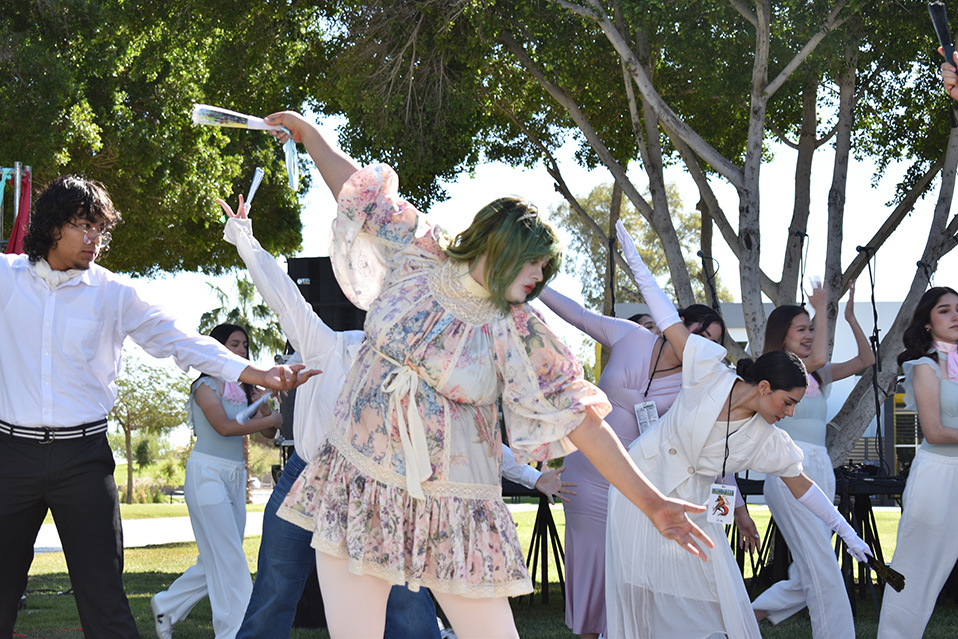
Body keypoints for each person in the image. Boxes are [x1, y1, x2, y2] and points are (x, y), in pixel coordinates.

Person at [263, 110, 713, 639]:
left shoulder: (519, 330)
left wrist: (653, 503)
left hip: (454, 510)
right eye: (534, 262)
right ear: (499, 246)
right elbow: (358, 191)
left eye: (545, 268)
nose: (540, 276)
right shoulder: (419, 251)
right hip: (361, 483)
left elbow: (583, 420)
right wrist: (309, 134)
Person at [217, 201, 573, 639]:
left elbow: (465, 441)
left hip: (396, 494)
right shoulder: (330, 347)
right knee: (276, 585)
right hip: (311, 478)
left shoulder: (433, 360)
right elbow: (286, 299)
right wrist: (245, 240)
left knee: (408, 608)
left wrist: (533, 477)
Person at [0, 175, 315, 639]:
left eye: (100, 229)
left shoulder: (113, 293)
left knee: (105, 602)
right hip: (11, 459)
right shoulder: (6, 279)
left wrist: (258, 374)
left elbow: (182, 341)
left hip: (82, 460)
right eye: (84, 226)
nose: (94, 239)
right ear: (52, 226)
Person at [605, 221, 870, 639]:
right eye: (787, 402)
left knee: (718, 608)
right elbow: (667, 317)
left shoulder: (770, 441)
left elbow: (804, 488)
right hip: (640, 490)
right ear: (764, 387)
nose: (789, 413)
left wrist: (847, 533)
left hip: (695, 509)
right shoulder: (708, 368)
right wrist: (636, 262)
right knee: (644, 600)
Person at [537, 287, 754, 639]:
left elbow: (716, 453)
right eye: (701, 335)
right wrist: (537, 285)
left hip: (636, 486)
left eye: (713, 343)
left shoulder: (696, 385)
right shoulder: (630, 336)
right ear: (677, 324)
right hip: (587, 477)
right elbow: (578, 315)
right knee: (593, 564)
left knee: (630, 573)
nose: (704, 346)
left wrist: (739, 510)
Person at [751, 283, 874, 636]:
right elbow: (817, 358)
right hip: (789, 473)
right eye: (801, 329)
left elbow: (865, 361)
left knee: (810, 572)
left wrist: (850, 318)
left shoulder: (818, 375)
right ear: (781, 335)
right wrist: (821, 308)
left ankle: (739, 617)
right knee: (823, 567)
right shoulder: (773, 370)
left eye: (810, 329)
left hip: (822, 468)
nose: (808, 335)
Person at [150, 323, 283, 639]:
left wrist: (266, 406)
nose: (241, 350)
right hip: (207, 474)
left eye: (245, 345)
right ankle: (235, 632)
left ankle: (167, 605)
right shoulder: (204, 386)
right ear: (217, 348)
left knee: (219, 556)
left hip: (236, 475)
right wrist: (271, 419)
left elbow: (268, 432)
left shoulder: (246, 388)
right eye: (234, 344)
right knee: (230, 557)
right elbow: (223, 427)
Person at [877, 286, 958, 638]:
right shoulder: (924, 366)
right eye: (944, 310)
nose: (955, 316)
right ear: (927, 322)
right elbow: (935, 432)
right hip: (938, 476)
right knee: (916, 573)